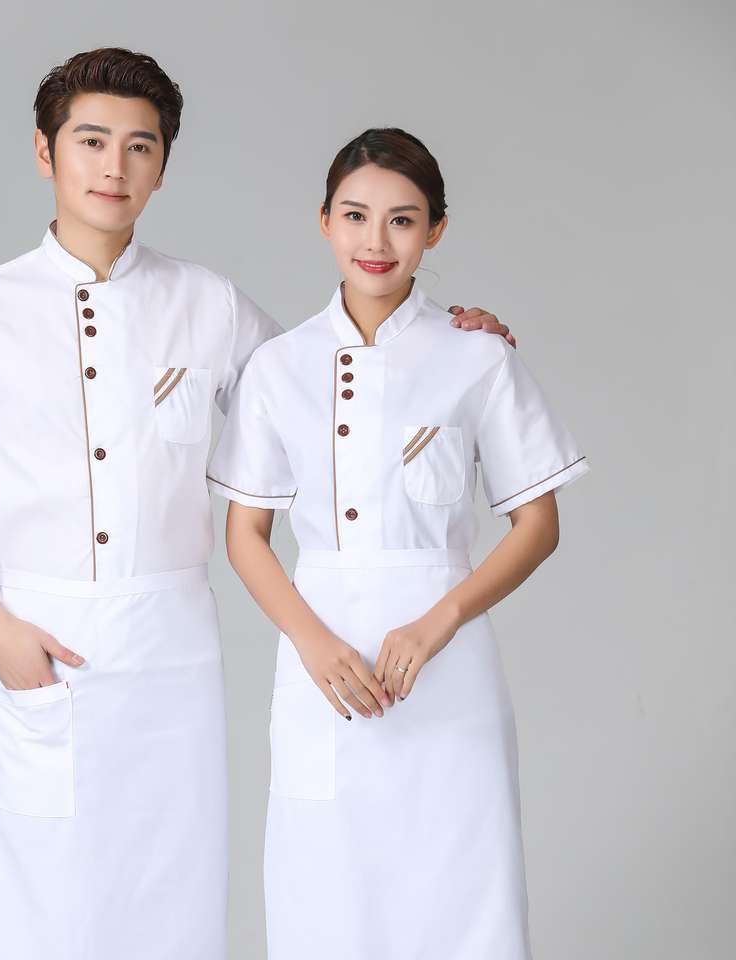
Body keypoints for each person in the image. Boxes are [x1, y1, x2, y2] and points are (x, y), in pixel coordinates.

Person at [0, 48, 513, 960]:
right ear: (45, 153)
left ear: (163, 166)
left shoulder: (208, 304)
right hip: (41, 643)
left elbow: (335, 375)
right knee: (41, 904)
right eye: (91, 141)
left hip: (176, 654)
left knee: (175, 903)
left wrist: (451, 336)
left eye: (140, 146)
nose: (114, 166)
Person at [206, 127, 590, 959]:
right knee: (323, 899)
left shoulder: (476, 357)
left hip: (449, 671)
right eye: (355, 216)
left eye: (403, 220)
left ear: (435, 231)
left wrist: (436, 622)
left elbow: (539, 526)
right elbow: (245, 536)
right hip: (320, 669)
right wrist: (312, 644)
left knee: (461, 899)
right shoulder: (279, 366)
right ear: (323, 221)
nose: (375, 241)